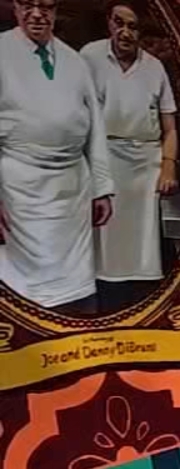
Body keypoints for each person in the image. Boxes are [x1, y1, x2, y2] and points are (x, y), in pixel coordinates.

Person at [0, 0, 115, 313]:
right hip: (18, 186)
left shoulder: (74, 60)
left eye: (46, 6)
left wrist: (102, 188)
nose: (37, 14)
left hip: (72, 186)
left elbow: (96, 127)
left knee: (75, 282)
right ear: (15, 7)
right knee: (22, 285)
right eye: (28, 5)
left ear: (55, 11)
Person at [83, 1, 180, 309]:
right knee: (104, 245)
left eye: (132, 26)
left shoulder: (154, 67)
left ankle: (143, 306)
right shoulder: (89, 56)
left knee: (144, 246)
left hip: (144, 162)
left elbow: (170, 128)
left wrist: (168, 168)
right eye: (118, 23)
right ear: (109, 23)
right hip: (103, 156)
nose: (125, 32)